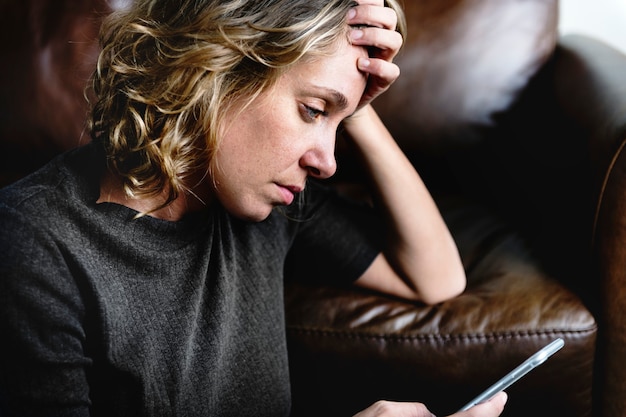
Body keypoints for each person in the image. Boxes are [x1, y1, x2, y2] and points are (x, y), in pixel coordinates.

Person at [0, 0, 507, 416]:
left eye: (336, 121)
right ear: (217, 65)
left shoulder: (267, 204)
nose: (327, 162)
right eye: (311, 109)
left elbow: (435, 276)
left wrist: (357, 109)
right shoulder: (33, 245)